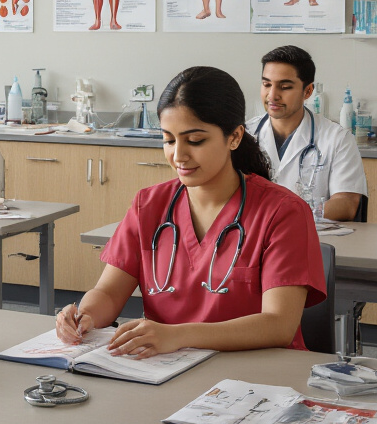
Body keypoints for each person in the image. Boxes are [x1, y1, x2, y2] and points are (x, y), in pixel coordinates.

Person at [55, 66, 325, 356]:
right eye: (169, 140)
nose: (179, 155)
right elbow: (108, 292)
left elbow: (279, 325)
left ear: (234, 137)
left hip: (255, 375)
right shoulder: (149, 205)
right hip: (167, 370)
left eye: (195, 141)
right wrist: (86, 316)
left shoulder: (282, 212)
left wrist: (180, 335)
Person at [251, 45, 366, 222]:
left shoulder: (338, 139)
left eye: (285, 87)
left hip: (311, 238)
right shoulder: (244, 135)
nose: (272, 95)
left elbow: (347, 204)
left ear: (308, 91)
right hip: (254, 238)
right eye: (267, 84)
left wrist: (287, 218)